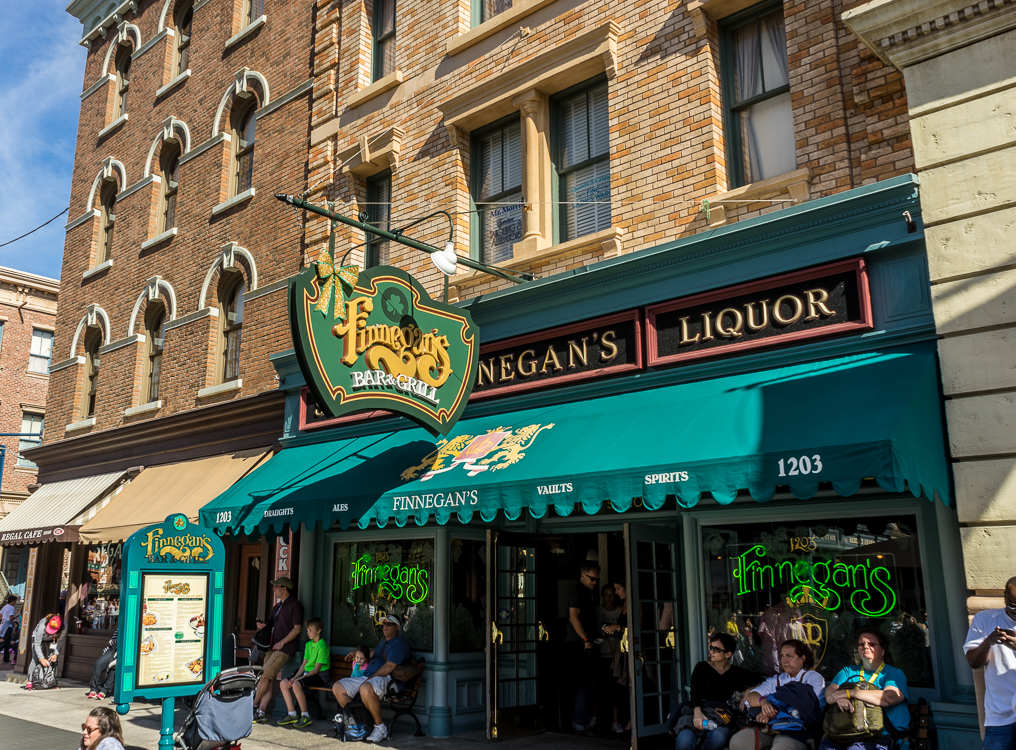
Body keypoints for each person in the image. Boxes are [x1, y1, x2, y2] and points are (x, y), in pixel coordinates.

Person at [729, 639, 826, 750]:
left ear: (802, 659)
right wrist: (764, 702)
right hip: (771, 727)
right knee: (738, 742)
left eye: (789, 656)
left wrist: (771, 711)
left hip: (798, 729)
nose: (784, 660)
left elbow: (807, 705)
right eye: (782, 656)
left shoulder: (814, 678)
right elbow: (752, 696)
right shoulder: (777, 679)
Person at [821, 629, 909, 750]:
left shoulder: (894, 674)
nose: (865, 647)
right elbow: (829, 694)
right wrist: (838, 699)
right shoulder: (848, 671)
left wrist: (849, 693)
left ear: (883, 651)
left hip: (879, 735)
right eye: (861, 644)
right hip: (844, 733)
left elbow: (888, 697)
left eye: (871, 644)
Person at [331, 614, 412, 743]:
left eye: (389, 624)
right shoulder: (384, 642)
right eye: (384, 624)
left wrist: (369, 679)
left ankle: (380, 727)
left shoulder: (398, 644)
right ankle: (359, 722)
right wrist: (356, 652)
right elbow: (375, 653)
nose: (385, 627)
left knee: (365, 687)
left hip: (389, 680)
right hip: (369, 677)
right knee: (337, 687)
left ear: (397, 627)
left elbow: (389, 667)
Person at [674, 633, 763, 750]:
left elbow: (763, 681)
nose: (711, 652)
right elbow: (695, 693)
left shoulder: (736, 672)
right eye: (711, 648)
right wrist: (697, 713)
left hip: (722, 716)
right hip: (699, 710)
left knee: (719, 737)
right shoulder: (702, 667)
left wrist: (750, 690)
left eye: (716, 649)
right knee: (684, 740)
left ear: (728, 654)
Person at [965, 576, 1016, 750]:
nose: (1015, 610)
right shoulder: (985, 620)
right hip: (999, 717)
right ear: (1004, 596)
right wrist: (988, 642)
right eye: (1012, 604)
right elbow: (973, 662)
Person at [252, 577, 304, 722]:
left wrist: (282, 642)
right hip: (272, 647)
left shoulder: (295, 605)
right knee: (267, 678)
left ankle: (253, 707)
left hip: (285, 649)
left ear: (284, 588)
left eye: (276, 587)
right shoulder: (277, 607)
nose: (274, 589)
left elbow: (297, 628)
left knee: (265, 675)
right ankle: (261, 712)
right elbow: (270, 624)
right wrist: (263, 626)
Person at [566, 562, 601, 734]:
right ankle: (579, 721)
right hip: (580, 645)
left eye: (596, 579)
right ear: (583, 574)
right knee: (585, 684)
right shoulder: (577, 591)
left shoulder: (585, 592)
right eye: (592, 579)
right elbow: (573, 617)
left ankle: (584, 720)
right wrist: (586, 639)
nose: (595, 582)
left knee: (590, 684)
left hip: (586, 643)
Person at [277, 617, 331, 728]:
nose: (308, 633)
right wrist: (296, 676)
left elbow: (316, 669)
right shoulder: (308, 645)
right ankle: (292, 714)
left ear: (318, 630)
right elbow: (303, 665)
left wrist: (299, 679)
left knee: (296, 684)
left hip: (319, 676)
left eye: (310, 630)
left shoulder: (322, 646)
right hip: (307, 673)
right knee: (283, 683)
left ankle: (305, 716)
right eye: (307, 630)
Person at [596, 583, 625, 734]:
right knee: (600, 688)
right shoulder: (597, 611)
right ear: (602, 596)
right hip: (602, 653)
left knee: (616, 689)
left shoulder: (620, 611)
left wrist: (616, 630)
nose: (609, 597)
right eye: (606, 594)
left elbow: (625, 631)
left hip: (616, 654)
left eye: (612, 594)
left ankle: (615, 721)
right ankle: (597, 718)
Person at [26, 613, 65, 690]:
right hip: (37, 638)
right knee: (35, 659)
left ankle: (51, 680)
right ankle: (29, 680)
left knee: (51, 658)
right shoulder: (43, 624)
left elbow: (60, 641)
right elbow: (37, 643)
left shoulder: (64, 626)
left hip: (52, 640)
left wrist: (56, 654)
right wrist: (41, 658)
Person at [88, 629, 118, 700]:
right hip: (112, 648)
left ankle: (105, 690)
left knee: (114, 667)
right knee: (98, 665)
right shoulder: (120, 624)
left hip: (125, 650)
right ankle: (94, 689)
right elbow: (114, 638)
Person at [1, 594, 16, 663]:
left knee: (6, 641)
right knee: (7, 642)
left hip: (3, 625)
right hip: (8, 626)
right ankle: (6, 657)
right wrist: (17, 615)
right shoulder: (11, 608)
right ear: (12, 601)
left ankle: (6, 657)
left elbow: (0, 615)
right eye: (15, 601)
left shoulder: (5, 607)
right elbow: (10, 618)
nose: (15, 603)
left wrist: (4, 618)